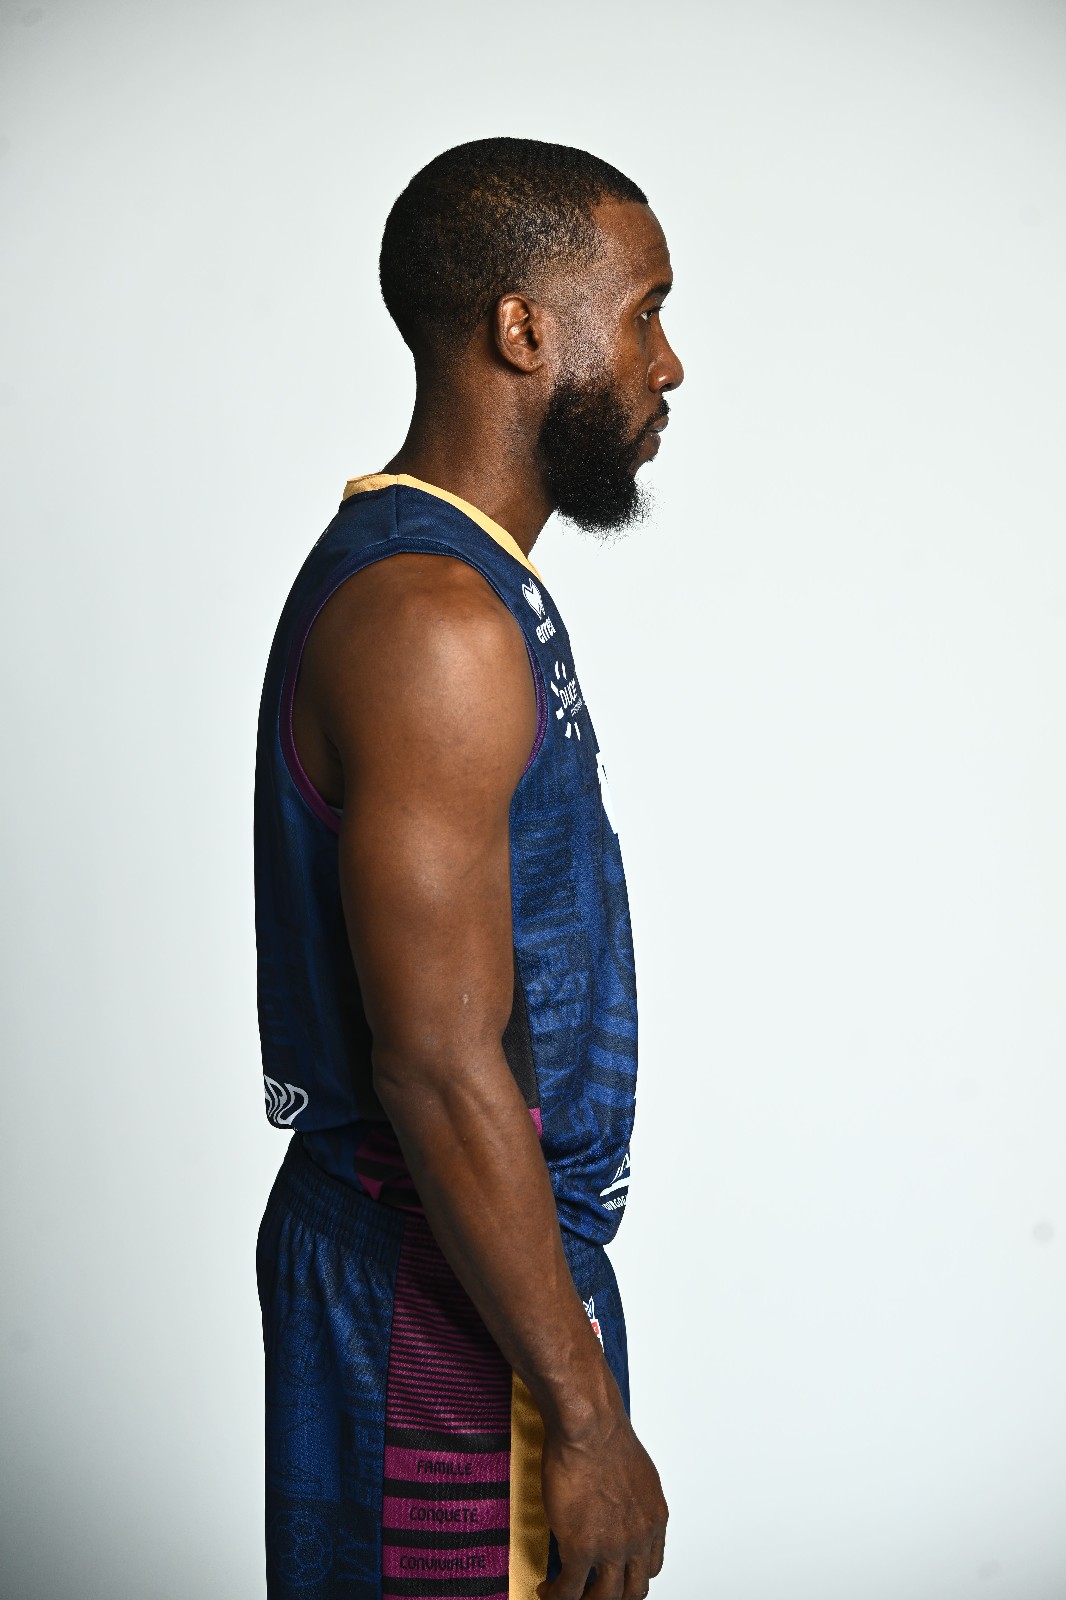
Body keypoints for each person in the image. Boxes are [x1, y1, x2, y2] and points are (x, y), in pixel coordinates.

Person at [254, 136, 684, 1600]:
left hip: (489, 1275)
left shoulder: (460, 585)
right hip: (434, 1302)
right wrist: (586, 1419)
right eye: (644, 313)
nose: (668, 365)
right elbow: (437, 1070)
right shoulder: (433, 620)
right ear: (522, 331)